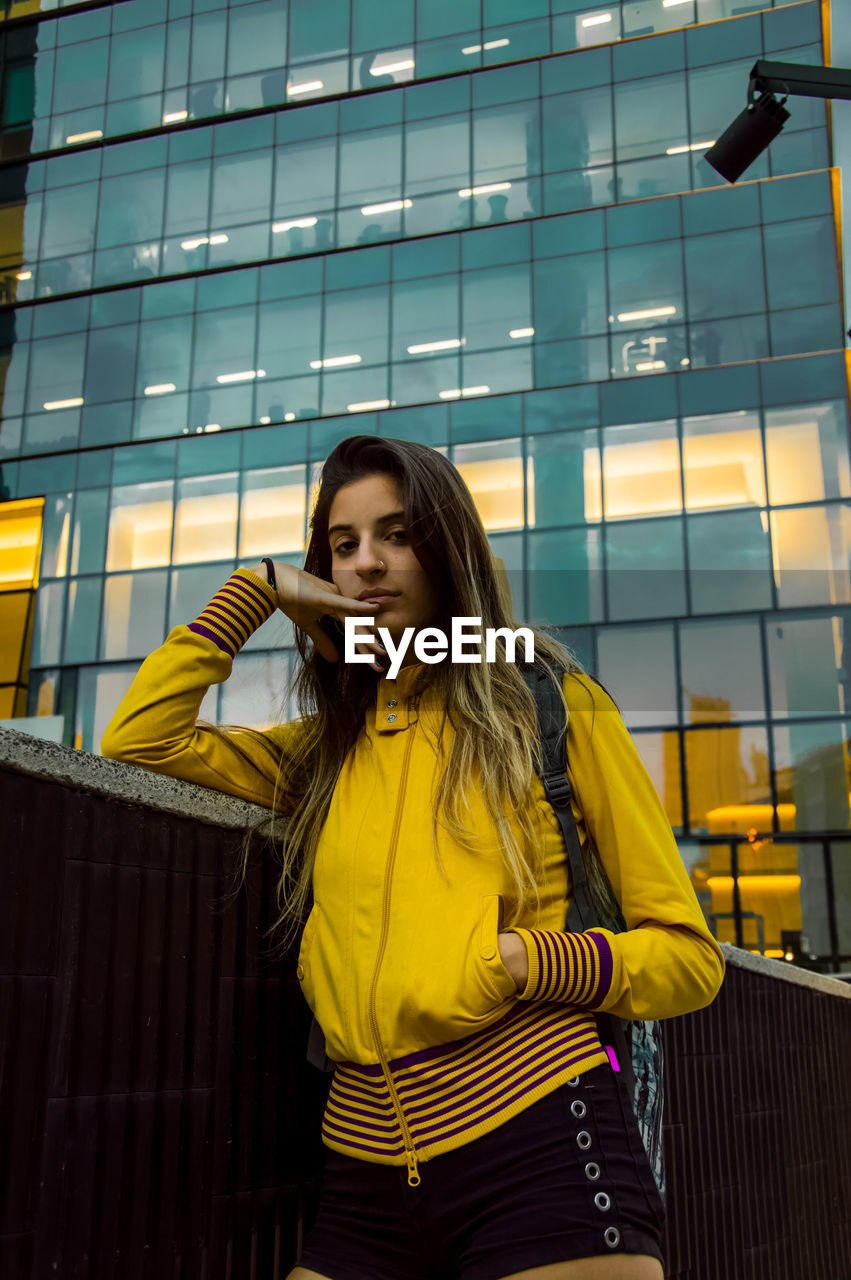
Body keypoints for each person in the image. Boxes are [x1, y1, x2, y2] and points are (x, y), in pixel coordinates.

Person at [102, 434, 725, 1280]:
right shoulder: (328, 748)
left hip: (539, 1135)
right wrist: (253, 590)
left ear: (445, 549)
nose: (366, 563)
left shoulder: (548, 702)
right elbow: (141, 740)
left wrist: (525, 960)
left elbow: (687, 958)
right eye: (343, 544)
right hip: (362, 1167)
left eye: (396, 534)